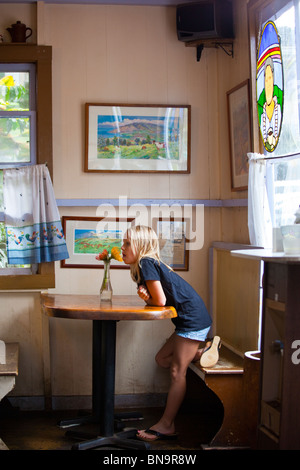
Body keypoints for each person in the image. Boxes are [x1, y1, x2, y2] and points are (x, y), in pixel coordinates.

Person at [121, 225, 220, 442]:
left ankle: (167, 425)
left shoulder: (146, 262)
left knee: (177, 371)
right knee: (162, 359)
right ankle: (204, 351)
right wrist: (147, 297)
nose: (123, 247)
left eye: (128, 243)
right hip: (188, 321)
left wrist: (146, 298)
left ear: (141, 246)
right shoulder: (144, 266)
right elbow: (159, 300)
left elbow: (160, 301)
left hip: (192, 320)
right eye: (123, 243)